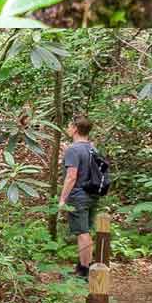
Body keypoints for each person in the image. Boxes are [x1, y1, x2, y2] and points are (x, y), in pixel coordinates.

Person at [58, 114, 100, 279]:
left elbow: (71, 176)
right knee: (86, 231)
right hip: (92, 195)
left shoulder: (73, 150)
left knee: (82, 233)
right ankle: (83, 266)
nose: (68, 129)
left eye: (69, 126)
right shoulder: (92, 148)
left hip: (78, 196)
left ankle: (85, 271)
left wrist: (62, 199)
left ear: (75, 129)